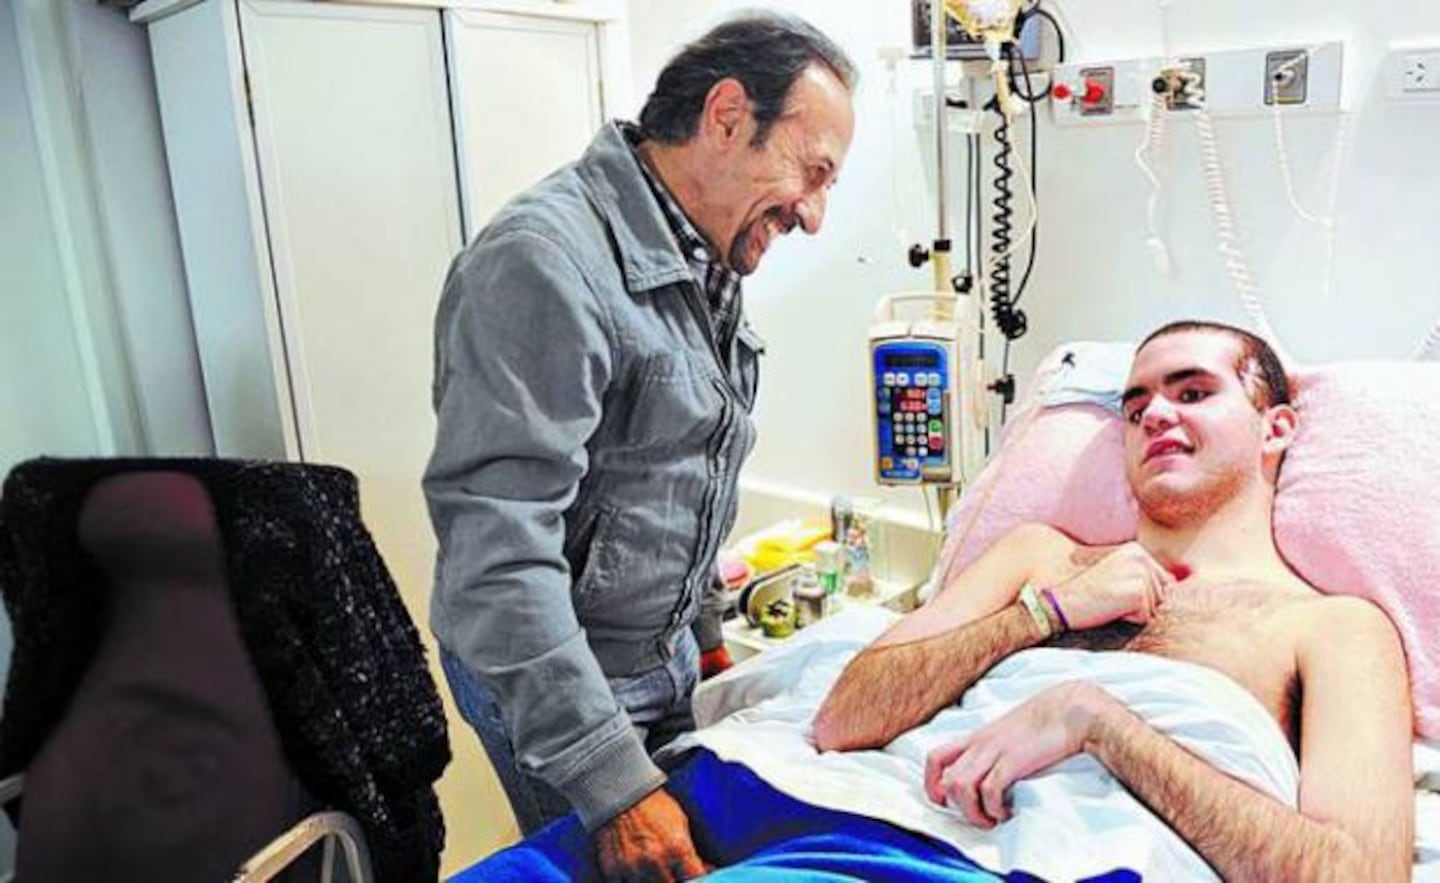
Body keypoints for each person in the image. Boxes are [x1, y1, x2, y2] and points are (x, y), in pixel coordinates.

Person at [423, 11, 856, 879]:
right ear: (728, 116)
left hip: (656, 663)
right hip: (563, 681)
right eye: (811, 174)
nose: (812, 215)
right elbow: (498, 558)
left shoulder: (696, 260)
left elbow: (674, 472)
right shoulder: (543, 263)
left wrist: (706, 644)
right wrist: (613, 787)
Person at [813, 320, 1415, 881]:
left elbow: (1359, 873)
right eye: (1134, 407)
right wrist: (1043, 614)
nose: (1154, 414)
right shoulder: (1039, 559)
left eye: (1193, 393)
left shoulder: (1335, 628)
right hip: (865, 840)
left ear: (1275, 427)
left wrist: (1095, 724)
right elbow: (843, 721)